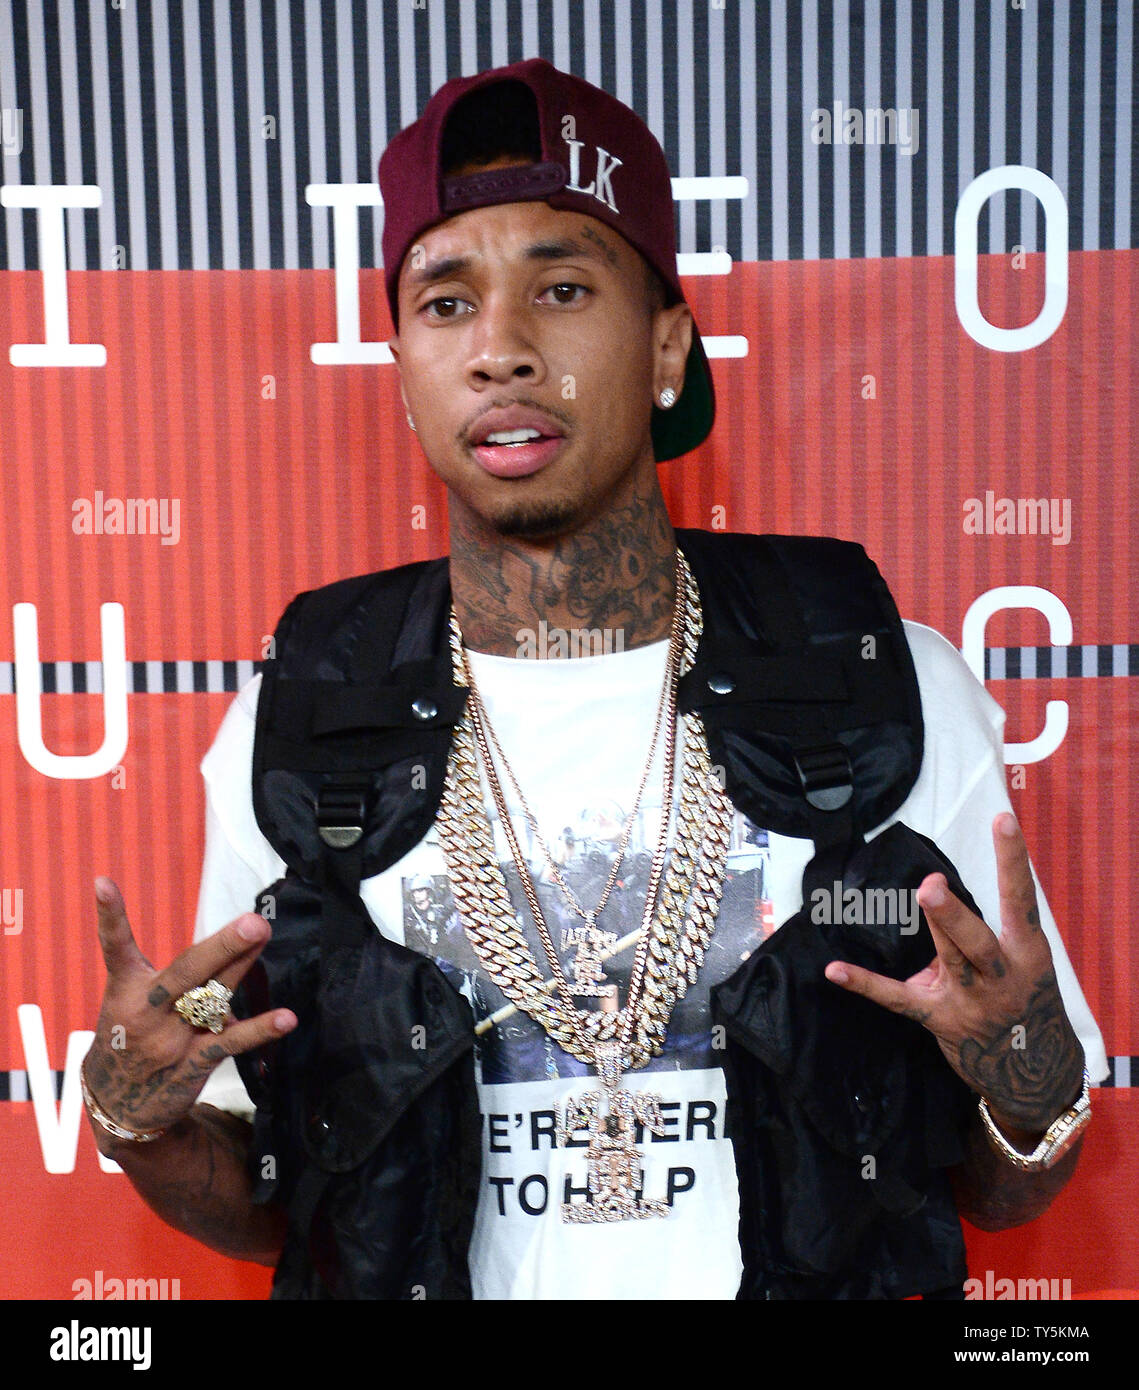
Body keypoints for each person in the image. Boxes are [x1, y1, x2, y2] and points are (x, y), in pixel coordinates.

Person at [83, 58, 1106, 1300]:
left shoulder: (886, 682)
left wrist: (1025, 1072)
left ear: (666, 342)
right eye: (446, 303)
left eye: (562, 288)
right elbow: (276, 1207)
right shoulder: (298, 716)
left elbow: (1004, 1185)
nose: (503, 351)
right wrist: (139, 1122)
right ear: (403, 367)